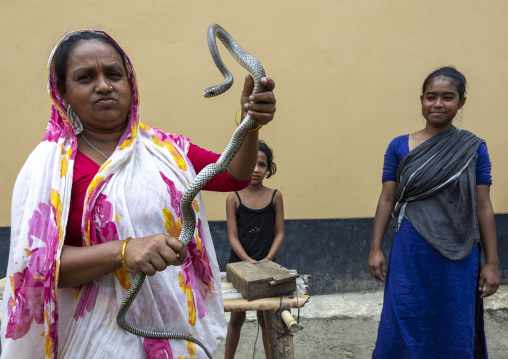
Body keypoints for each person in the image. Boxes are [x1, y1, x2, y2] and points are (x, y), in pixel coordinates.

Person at [0, 29, 276, 359]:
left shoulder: (166, 151)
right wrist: (123, 251)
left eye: (114, 74)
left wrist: (250, 123)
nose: (103, 85)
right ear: (63, 93)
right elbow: (35, 270)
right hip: (90, 342)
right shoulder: (48, 168)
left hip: (172, 332)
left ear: (129, 84)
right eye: (86, 77)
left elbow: (232, 176)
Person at [367, 66, 500, 358]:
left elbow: (483, 205)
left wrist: (492, 262)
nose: (438, 103)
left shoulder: (473, 149)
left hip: (460, 251)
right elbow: (387, 198)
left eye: (447, 97)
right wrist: (376, 247)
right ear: (421, 100)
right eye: (431, 97)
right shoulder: (399, 146)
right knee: (403, 312)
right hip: (410, 248)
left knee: (452, 318)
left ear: (461, 101)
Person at [223, 140, 284, 359]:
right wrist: (249, 261)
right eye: (252, 164)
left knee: (266, 319)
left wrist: (267, 259)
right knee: (236, 319)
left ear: (269, 169)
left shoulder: (275, 196)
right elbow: (232, 237)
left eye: (262, 165)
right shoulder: (234, 198)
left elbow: (280, 233)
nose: (256, 169)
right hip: (240, 267)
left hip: (268, 269)